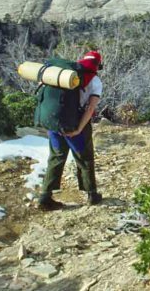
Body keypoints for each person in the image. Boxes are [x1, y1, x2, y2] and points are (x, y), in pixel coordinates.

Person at [38, 50, 104, 210]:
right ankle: (92, 195)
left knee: (56, 157)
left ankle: (45, 197)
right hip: (75, 123)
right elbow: (90, 109)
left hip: (55, 122)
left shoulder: (63, 74)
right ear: (97, 65)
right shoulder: (94, 81)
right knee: (84, 158)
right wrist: (78, 129)